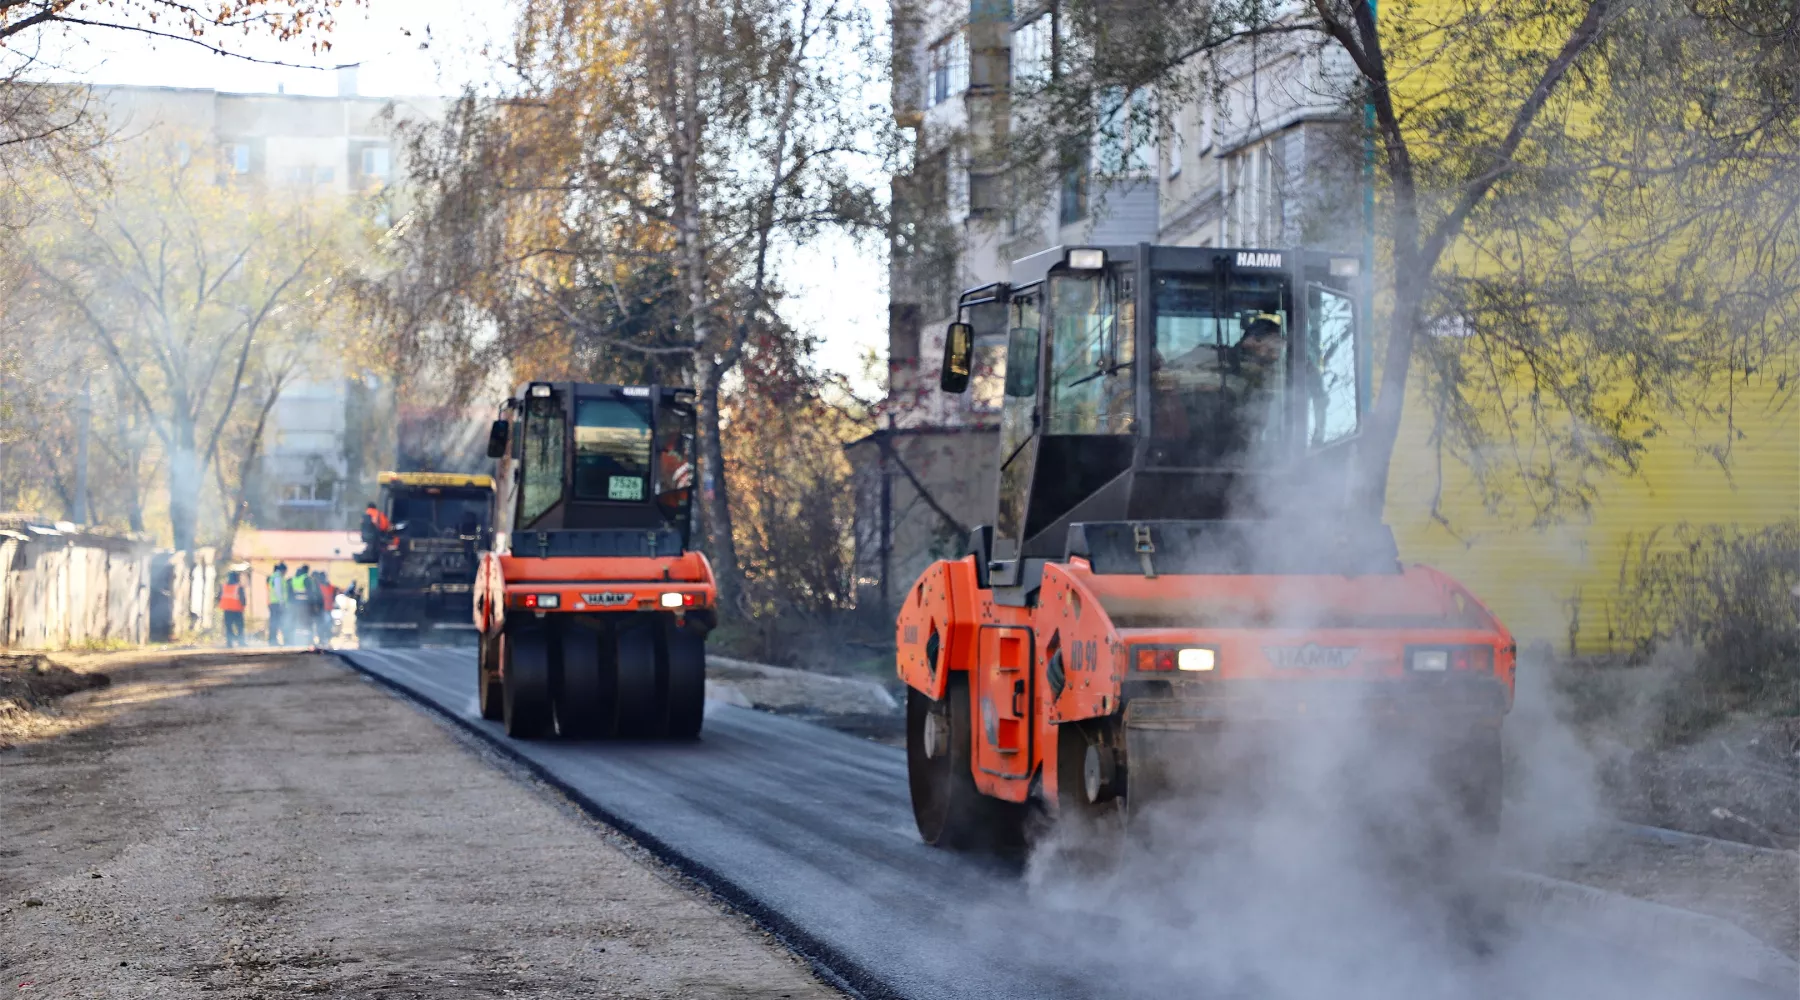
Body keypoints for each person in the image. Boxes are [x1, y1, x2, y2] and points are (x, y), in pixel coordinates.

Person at [218, 571, 246, 648]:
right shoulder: (238, 587)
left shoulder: (224, 586)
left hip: (227, 610)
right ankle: (241, 642)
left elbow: (219, 597)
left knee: (228, 627)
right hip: (237, 610)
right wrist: (243, 605)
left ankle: (229, 643)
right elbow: (242, 599)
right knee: (240, 626)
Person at [266, 562, 289, 646]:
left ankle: (273, 640)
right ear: (282, 570)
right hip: (277, 603)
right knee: (277, 622)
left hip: (274, 603)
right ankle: (273, 640)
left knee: (274, 622)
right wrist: (281, 602)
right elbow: (278, 590)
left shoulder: (274, 576)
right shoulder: (278, 577)